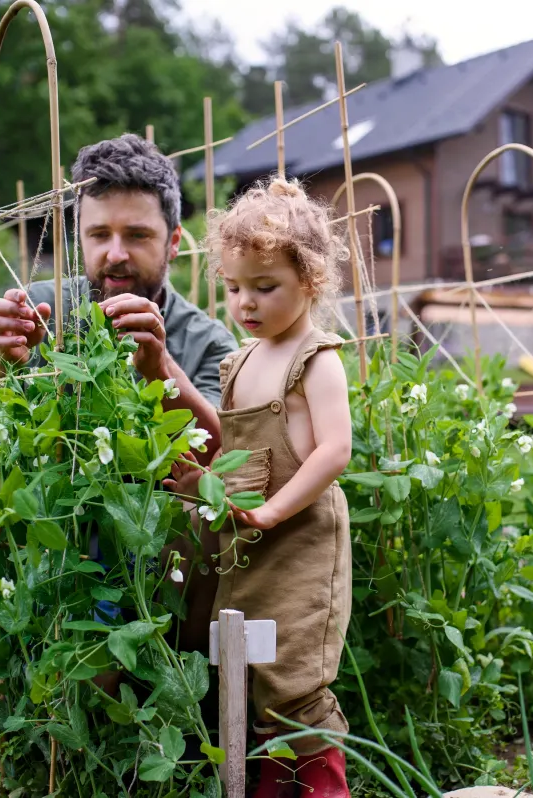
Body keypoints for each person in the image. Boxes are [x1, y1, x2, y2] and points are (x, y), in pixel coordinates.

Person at [168, 175, 354, 797]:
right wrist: (202, 480)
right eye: (234, 288)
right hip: (246, 541)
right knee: (245, 665)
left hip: (300, 541)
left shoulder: (315, 359)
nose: (245, 303)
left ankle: (324, 786)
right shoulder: (243, 359)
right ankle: (270, 784)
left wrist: (274, 509)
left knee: (293, 672)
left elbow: (334, 450)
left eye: (264, 287)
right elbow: (237, 447)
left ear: (310, 280)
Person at [0, 133, 238, 464]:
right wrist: (0, 366)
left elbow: (215, 457)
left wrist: (160, 371)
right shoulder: (37, 311)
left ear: (173, 241)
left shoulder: (209, 344)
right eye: (100, 235)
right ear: (80, 237)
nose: (116, 254)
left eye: (137, 235)